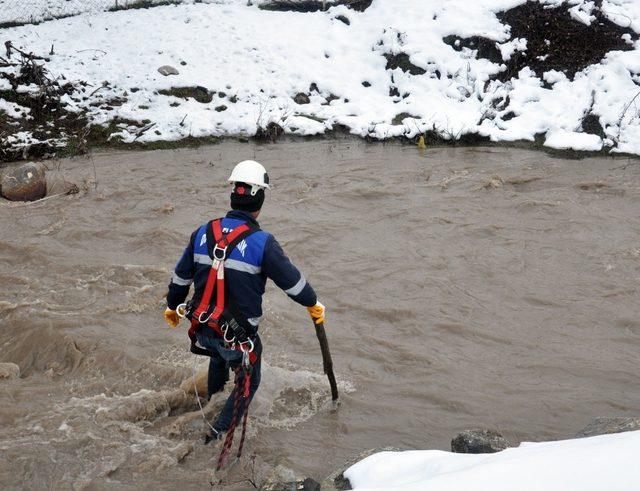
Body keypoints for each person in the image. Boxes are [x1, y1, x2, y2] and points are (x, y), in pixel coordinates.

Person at [163, 159, 325, 441]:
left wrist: (171, 306)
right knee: (250, 381)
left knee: (216, 355)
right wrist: (313, 303)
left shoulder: (202, 232)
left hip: (202, 329)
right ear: (260, 199)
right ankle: (216, 435)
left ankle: (213, 396)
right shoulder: (263, 243)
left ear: (232, 197)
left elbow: (180, 278)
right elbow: (294, 284)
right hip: (235, 338)